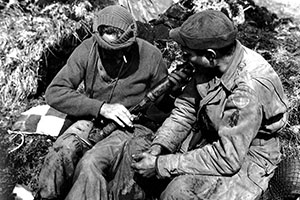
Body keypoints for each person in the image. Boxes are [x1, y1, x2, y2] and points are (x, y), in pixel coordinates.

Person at [131, 9, 288, 200]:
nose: (183, 58)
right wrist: (159, 148)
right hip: (213, 135)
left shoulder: (247, 90)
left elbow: (227, 157)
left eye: (187, 54)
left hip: (247, 154)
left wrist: (161, 164)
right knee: (136, 153)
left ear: (210, 55)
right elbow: (185, 110)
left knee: (177, 193)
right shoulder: (212, 63)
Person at [37, 5, 183, 200]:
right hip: (91, 119)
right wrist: (101, 108)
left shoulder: (151, 56)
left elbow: (162, 109)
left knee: (91, 163)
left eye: (119, 50)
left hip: (130, 126)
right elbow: (55, 92)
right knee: (61, 151)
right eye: (107, 50)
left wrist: (171, 93)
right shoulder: (88, 49)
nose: (112, 56)